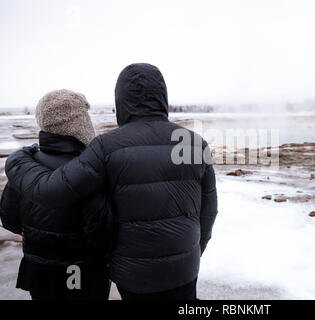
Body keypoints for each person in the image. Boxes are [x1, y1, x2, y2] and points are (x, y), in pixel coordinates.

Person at [5, 63, 218, 300]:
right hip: (184, 269)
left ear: (121, 102)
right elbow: (208, 211)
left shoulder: (107, 147)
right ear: (162, 97)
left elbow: (51, 191)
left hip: (133, 276)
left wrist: (17, 160)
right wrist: (194, 252)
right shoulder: (196, 144)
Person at [0, 89, 112, 300]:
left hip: (39, 274)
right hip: (83, 276)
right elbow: (101, 234)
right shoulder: (88, 172)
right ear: (79, 125)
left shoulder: (25, 169)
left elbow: (9, 221)